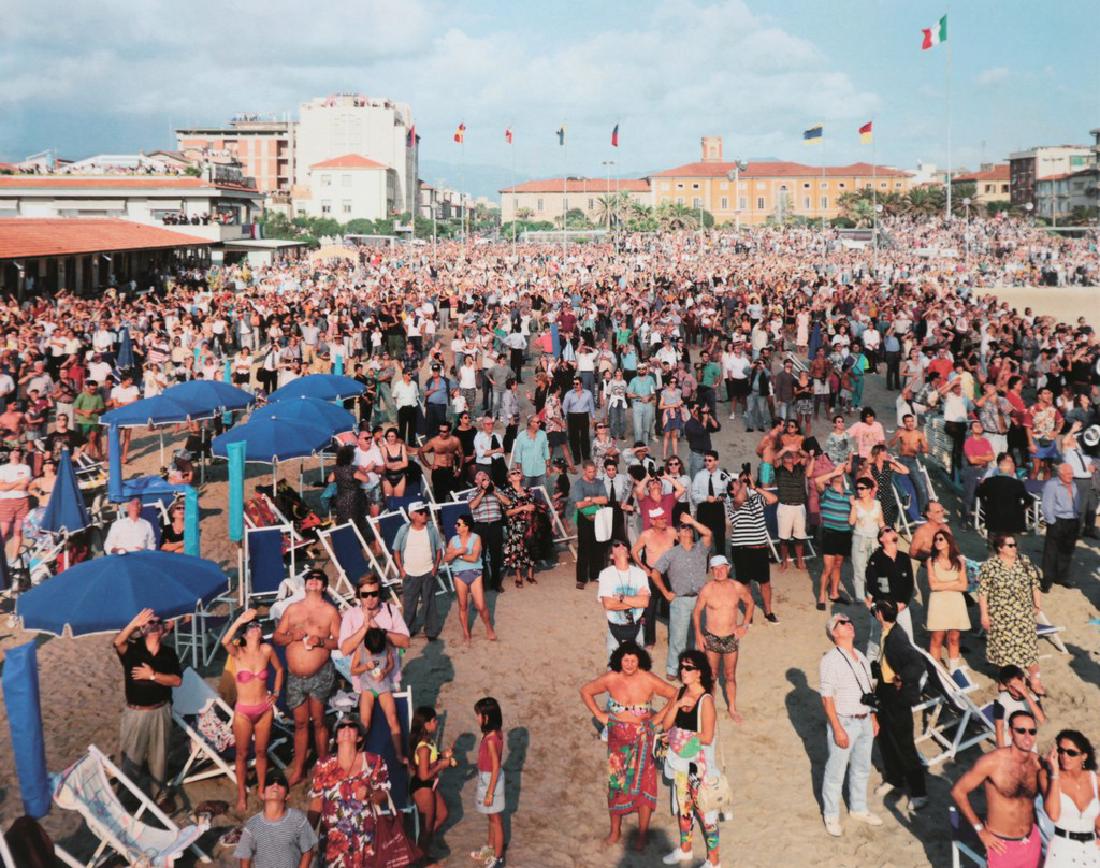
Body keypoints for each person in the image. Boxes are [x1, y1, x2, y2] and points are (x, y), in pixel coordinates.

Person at [579, 641, 676, 851]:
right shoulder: (611, 678)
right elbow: (585, 691)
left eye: (633, 660)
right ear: (619, 660)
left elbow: (674, 694)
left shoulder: (648, 679)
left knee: (646, 785)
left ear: (639, 660)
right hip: (617, 740)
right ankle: (615, 831)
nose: (630, 664)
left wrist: (658, 717)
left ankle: (642, 834)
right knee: (616, 784)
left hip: (643, 739)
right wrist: (599, 715)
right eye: (626, 660)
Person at [273, 569, 341, 786]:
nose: (313, 580)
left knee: (319, 720)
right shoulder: (292, 609)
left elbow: (339, 642)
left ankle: (324, 767)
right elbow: (277, 637)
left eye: (318, 579)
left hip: (320, 674)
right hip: (295, 676)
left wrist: (320, 642)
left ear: (324, 586)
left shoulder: (330, 612)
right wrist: (291, 636)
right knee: (300, 723)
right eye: (310, 578)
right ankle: (299, 769)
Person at [951, 709, 1043, 866]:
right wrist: (980, 830)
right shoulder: (992, 762)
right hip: (1001, 844)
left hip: (1031, 840)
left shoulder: (1037, 763)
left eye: (1032, 731)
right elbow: (958, 791)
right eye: (1021, 731)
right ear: (1011, 732)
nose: (1027, 736)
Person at [654, 650, 721, 867]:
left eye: (688, 668)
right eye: (682, 666)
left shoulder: (706, 700)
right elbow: (666, 724)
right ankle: (685, 849)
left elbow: (707, 736)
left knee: (705, 810)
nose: (683, 671)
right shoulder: (680, 692)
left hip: (698, 764)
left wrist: (682, 738)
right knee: (684, 806)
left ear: (699, 672)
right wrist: (677, 704)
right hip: (681, 762)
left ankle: (714, 861)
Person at [819, 612, 882, 837]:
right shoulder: (830, 660)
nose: (849, 625)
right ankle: (831, 815)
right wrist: (837, 728)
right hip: (845, 720)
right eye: (842, 623)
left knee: (862, 767)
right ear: (834, 633)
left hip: (864, 719)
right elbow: (827, 697)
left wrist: (873, 717)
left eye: (850, 621)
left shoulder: (861, 656)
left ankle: (858, 808)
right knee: (835, 771)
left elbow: (868, 689)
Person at [112, 608, 182, 809]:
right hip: (137, 712)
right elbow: (118, 642)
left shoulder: (168, 653)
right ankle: (125, 798)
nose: (154, 625)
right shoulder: (133, 649)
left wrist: (152, 675)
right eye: (150, 622)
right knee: (132, 758)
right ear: (142, 629)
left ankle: (160, 795)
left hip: (161, 709)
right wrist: (133, 624)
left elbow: (176, 680)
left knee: (160, 756)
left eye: (158, 622)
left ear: (164, 629)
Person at [337, 574, 411, 760]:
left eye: (374, 593)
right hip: (363, 685)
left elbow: (405, 642)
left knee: (394, 719)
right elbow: (345, 649)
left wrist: (380, 630)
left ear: (380, 592)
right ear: (358, 595)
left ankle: (398, 755)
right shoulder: (350, 616)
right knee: (366, 723)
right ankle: (360, 759)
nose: (370, 598)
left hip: (390, 682)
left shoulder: (391, 611)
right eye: (365, 594)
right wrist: (364, 629)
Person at [307, 718, 394, 868]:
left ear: (359, 737)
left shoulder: (374, 761)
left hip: (365, 840)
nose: (346, 728)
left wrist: (370, 793)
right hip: (332, 842)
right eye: (341, 726)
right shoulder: (323, 764)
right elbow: (317, 802)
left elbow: (385, 796)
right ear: (336, 737)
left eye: (352, 725)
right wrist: (305, 836)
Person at [222, 610, 283, 814]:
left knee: (261, 752)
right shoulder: (238, 653)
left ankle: (261, 788)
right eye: (250, 626)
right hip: (243, 712)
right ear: (244, 634)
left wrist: (276, 693)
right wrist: (239, 620)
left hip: (264, 710)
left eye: (257, 625)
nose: (255, 628)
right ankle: (242, 793)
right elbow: (224, 641)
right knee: (241, 754)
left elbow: (280, 670)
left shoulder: (267, 650)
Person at [872, 601, 927, 812]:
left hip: (897, 696)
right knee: (885, 737)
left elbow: (917, 664)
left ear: (879, 615)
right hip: (884, 691)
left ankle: (919, 792)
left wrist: (900, 678)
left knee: (904, 743)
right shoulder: (888, 631)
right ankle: (894, 778)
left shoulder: (897, 638)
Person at [978, 534, 1046, 695]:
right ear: (1000, 548)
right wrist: (984, 615)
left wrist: (1037, 605)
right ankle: (1006, 680)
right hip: (1000, 615)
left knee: (1028, 650)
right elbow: (983, 593)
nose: (1014, 548)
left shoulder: (1024, 561)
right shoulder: (990, 566)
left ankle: (1035, 679)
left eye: (1015, 545)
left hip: (1023, 614)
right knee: (1003, 651)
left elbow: (1035, 584)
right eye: (1010, 545)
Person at [650, 514, 713, 678]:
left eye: (689, 528)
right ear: (677, 535)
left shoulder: (700, 549)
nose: (687, 530)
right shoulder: (670, 554)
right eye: (683, 528)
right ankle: (673, 668)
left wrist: (692, 521)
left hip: (700, 599)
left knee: (698, 635)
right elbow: (655, 573)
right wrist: (665, 593)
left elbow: (708, 533)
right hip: (680, 600)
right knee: (678, 637)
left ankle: (695, 667)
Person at [693, 555, 754, 722]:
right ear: (711, 571)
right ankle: (709, 707)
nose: (719, 572)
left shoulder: (737, 587)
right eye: (715, 569)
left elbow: (750, 602)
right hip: (712, 637)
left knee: (730, 675)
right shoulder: (707, 589)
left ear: (728, 568)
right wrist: (698, 634)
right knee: (711, 675)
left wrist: (745, 625)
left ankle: (732, 708)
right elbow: (697, 611)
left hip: (731, 637)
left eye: (722, 568)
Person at [234, 769, 318, 868]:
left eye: (281, 783)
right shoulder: (252, 824)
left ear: (287, 796)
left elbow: (308, 851)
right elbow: (244, 859)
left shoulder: (298, 819)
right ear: (263, 794)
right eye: (270, 783)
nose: (275, 785)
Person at [726, 470, 779, 622]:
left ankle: (768, 611)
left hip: (760, 548)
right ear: (732, 491)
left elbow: (773, 499)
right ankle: (749, 612)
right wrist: (744, 484)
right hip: (742, 549)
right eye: (737, 483)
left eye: (741, 482)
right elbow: (739, 500)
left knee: (765, 583)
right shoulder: (731, 502)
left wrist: (755, 487)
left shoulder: (755, 498)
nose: (741, 484)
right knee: (745, 583)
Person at [1041, 729, 1100, 867]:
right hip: (1062, 850)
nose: (1065, 756)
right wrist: (1055, 773)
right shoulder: (1046, 776)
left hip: (1092, 851)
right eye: (1061, 751)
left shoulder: (1096, 781)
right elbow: (1053, 815)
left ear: (1084, 756)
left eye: (1071, 753)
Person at [392, 502, 445, 641]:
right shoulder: (404, 530)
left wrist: (435, 567)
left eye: (425, 511)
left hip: (428, 572)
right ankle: (409, 630)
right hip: (409, 573)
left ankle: (431, 632)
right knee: (409, 605)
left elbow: (438, 548)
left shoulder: (431, 529)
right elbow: (396, 550)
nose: (424, 514)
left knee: (430, 604)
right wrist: (401, 569)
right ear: (412, 515)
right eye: (421, 512)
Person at [408, 705, 454, 860]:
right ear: (426, 725)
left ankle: (423, 846)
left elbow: (430, 760)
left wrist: (442, 755)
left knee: (442, 814)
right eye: (434, 721)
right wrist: (441, 765)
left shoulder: (429, 741)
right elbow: (423, 775)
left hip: (430, 785)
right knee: (426, 828)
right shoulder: (424, 748)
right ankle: (422, 858)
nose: (437, 723)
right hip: (423, 787)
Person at [443, 513, 496, 643]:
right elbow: (446, 559)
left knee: (481, 605)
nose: (455, 526)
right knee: (463, 605)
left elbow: (474, 558)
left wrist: (459, 555)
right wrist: (456, 552)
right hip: (459, 574)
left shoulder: (476, 538)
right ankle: (466, 633)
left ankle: (489, 627)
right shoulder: (453, 540)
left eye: (458, 524)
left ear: (466, 527)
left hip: (475, 573)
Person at [864, 526, 913, 660]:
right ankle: (871, 668)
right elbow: (872, 585)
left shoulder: (904, 557)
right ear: (881, 539)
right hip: (882, 607)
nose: (891, 530)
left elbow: (909, 584)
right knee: (876, 642)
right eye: (887, 530)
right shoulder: (876, 558)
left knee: (907, 640)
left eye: (892, 529)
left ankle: (905, 669)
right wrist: (886, 605)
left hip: (901, 607)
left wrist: (903, 603)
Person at [925, 530, 971, 671]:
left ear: (948, 542)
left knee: (954, 637)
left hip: (955, 602)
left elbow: (964, 586)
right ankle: (935, 671)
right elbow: (933, 586)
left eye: (941, 539)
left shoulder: (959, 561)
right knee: (937, 637)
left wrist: (943, 585)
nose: (937, 541)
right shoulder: (931, 561)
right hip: (938, 603)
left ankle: (953, 670)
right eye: (936, 539)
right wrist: (954, 582)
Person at [598, 539, 651, 653]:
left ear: (628, 554)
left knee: (637, 663)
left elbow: (645, 602)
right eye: (616, 545)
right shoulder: (606, 574)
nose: (621, 546)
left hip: (636, 629)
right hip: (615, 629)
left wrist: (621, 598)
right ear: (611, 556)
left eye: (624, 545)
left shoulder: (640, 574)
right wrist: (636, 600)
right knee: (614, 663)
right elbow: (608, 604)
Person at [471, 697, 506, 868]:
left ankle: (498, 858)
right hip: (487, 778)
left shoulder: (491, 740)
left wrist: (490, 793)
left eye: (479, 715)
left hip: (490, 780)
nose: (476, 718)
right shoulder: (494, 733)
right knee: (491, 817)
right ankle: (490, 849)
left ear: (487, 717)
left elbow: (495, 767)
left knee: (496, 820)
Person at [815, 459, 854, 609]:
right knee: (828, 567)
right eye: (836, 472)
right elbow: (816, 481)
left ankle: (834, 593)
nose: (839, 474)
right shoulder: (826, 491)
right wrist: (833, 472)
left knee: (838, 565)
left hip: (844, 533)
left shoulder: (849, 493)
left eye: (840, 472)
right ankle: (821, 597)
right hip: (830, 532)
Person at [1042, 463, 1081, 591]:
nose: (1071, 476)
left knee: (1067, 550)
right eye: (1068, 474)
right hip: (1058, 519)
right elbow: (1047, 505)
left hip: (1072, 520)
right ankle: (1047, 579)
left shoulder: (1073, 484)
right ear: (1060, 474)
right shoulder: (1052, 484)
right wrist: (1052, 521)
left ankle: (1062, 577)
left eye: (1071, 473)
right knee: (1051, 551)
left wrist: (1078, 516)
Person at [469, 470, 509, 593]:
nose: (484, 477)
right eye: (480, 476)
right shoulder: (472, 493)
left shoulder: (496, 490)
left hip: (495, 525)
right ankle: (483, 583)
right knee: (480, 556)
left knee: (496, 555)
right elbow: (472, 506)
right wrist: (482, 491)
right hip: (480, 526)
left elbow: (507, 502)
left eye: (485, 476)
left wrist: (494, 491)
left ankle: (496, 583)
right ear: (476, 481)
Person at [573, 460, 610, 590]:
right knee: (583, 548)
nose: (592, 474)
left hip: (598, 518)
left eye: (594, 471)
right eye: (590, 472)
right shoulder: (579, 484)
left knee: (598, 546)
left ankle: (595, 575)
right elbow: (579, 504)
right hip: (584, 519)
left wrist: (590, 499)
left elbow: (605, 500)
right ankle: (581, 578)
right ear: (584, 471)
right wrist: (596, 501)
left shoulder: (599, 483)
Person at [992, 665, 1047, 749]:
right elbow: (999, 726)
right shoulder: (1002, 699)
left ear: (1023, 680)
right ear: (1006, 686)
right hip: (1008, 736)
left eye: (1016, 685)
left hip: (1027, 736)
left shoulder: (1033, 699)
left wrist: (1026, 694)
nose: (1015, 690)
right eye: (1011, 687)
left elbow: (1042, 720)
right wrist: (1001, 749)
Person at [774, 445, 809, 571]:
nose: (789, 459)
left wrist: (797, 449)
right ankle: (784, 562)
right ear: (783, 459)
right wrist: (785, 448)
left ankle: (799, 560)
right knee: (783, 538)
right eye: (787, 457)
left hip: (799, 506)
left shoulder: (799, 468)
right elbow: (775, 458)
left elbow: (807, 456)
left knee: (800, 537)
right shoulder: (779, 470)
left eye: (791, 457)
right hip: (785, 506)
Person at [977, 453, 1031, 536]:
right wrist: (1020, 509)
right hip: (1011, 520)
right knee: (1008, 541)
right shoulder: (1017, 483)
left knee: (993, 541)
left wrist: (986, 505)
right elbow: (1029, 500)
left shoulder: (989, 481)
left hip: (993, 519)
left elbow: (979, 493)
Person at [502, 467, 537, 589]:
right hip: (515, 525)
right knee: (516, 550)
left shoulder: (529, 490)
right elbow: (507, 513)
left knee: (530, 548)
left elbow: (533, 505)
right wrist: (523, 508)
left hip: (529, 523)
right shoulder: (507, 493)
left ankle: (530, 575)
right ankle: (518, 577)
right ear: (509, 478)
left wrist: (532, 508)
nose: (517, 474)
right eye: (513, 473)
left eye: (518, 472)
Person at [417, 421, 463, 506]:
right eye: (440, 431)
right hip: (438, 470)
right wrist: (428, 465)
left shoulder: (455, 440)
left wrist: (459, 469)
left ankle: (452, 512)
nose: (441, 433)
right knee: (439, 497)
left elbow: (461, 454)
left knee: (454, 495)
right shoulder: (434, 441)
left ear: (449, 431)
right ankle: (440, 513)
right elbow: (420, 451)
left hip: (450, 470)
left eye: (444, 431)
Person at [691, 450, 729, 555]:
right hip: (704, 508)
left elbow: (729, 495)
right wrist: (705, 498)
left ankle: (721, 560)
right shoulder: (699, 476)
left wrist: (723, 497)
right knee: (703, 539)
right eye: (705, 460)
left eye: (710, 460)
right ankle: (704, 562)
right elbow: (693, 494)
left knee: (720, 538)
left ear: (716, 462)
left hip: (718, 509)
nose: (707, 462)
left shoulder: (724, 477)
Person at [0, 446, 33, 562]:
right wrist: (18, 481)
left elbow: (23, 486)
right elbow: (2, 487)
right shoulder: (2, 468)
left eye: (17, 451)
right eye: (12, 451)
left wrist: (9, 485)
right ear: (9, 454)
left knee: (18, 531)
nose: (15, 453)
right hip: (5, 501)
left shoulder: (26, 468)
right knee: (3, 531)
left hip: (22, 501)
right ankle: (2, 557)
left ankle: (13, 558)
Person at [511, 414, 550, 490]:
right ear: (531, 423)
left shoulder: (543, 434)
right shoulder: (521, 436)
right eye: (537, 422)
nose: (540, 424)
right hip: (526, 472)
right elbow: (518, 455)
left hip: (541, 470)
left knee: (541, 494)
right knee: (526, 493)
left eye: (540, 422)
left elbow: (546, 451)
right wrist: (519, 471)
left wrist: (548, 467)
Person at [379, 428, 409, 499]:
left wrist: (393, 465)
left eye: (392, 436)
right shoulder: (384, 448)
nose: (390, 438)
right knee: (388, 501)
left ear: (396, 437)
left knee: (398, 501)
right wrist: (399, 463)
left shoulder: (402, 446)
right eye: (388, 436)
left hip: (400, 476)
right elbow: (387, 465)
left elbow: (405, 464)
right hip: (387, 477)